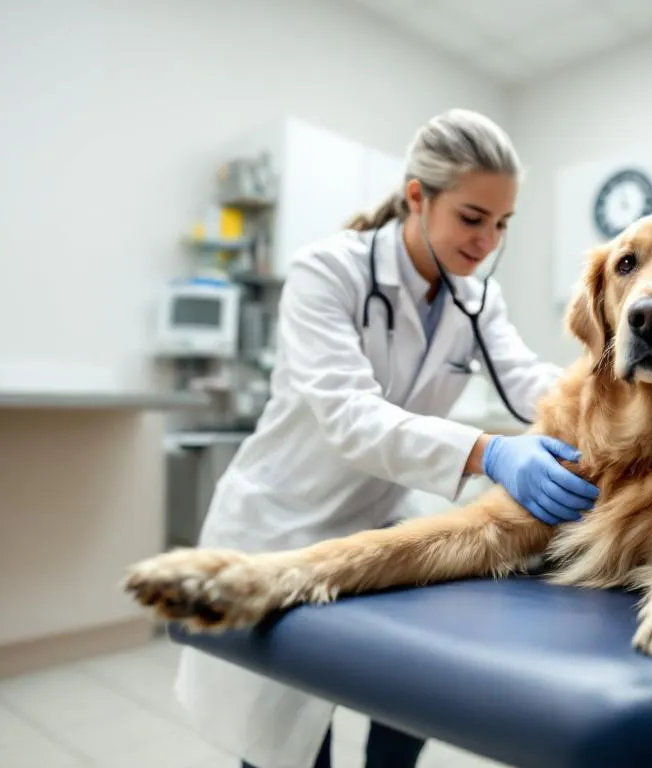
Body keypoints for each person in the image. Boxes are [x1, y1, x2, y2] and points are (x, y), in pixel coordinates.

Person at [173, 108, 600, 768]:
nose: (487, 241)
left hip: (377, 519)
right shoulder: (327, 272)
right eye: (472, 217)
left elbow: (532, 383)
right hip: (285, 522)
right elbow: (350, 415)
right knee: (285, 744)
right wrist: (488, 452)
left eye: (502, 223)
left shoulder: (476, 299)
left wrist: (617, 394)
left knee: (412, 691)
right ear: (417, 197)